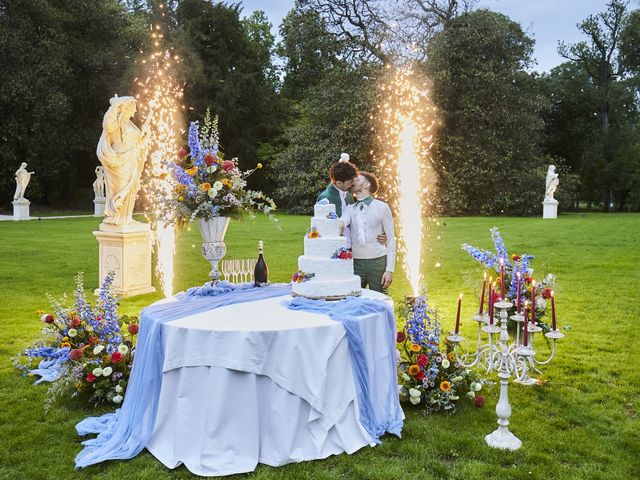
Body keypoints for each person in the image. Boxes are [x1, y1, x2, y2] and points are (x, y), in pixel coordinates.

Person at [96, 96, 153, 225]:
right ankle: (116, 218)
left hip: (132, 160)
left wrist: (145, 137)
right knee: (120, 189)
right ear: (126, 108)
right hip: (119, 162)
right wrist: (115, 105)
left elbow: (138, 144)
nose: (134, 112)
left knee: (132, 189)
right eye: (132, 109)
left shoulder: (130, 124)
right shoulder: (115, 122)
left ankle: (126, 218)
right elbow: (107, 125)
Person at [340, 172, 396, 293]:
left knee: (380, 299)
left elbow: (391, 239)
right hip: (355, 263)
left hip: (378, 262)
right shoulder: (349, 209)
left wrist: (389, 270)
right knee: (353, 298)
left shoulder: (382, 207)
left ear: (366, 185)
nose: (353, 181)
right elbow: (341, 223)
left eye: (357, 179)